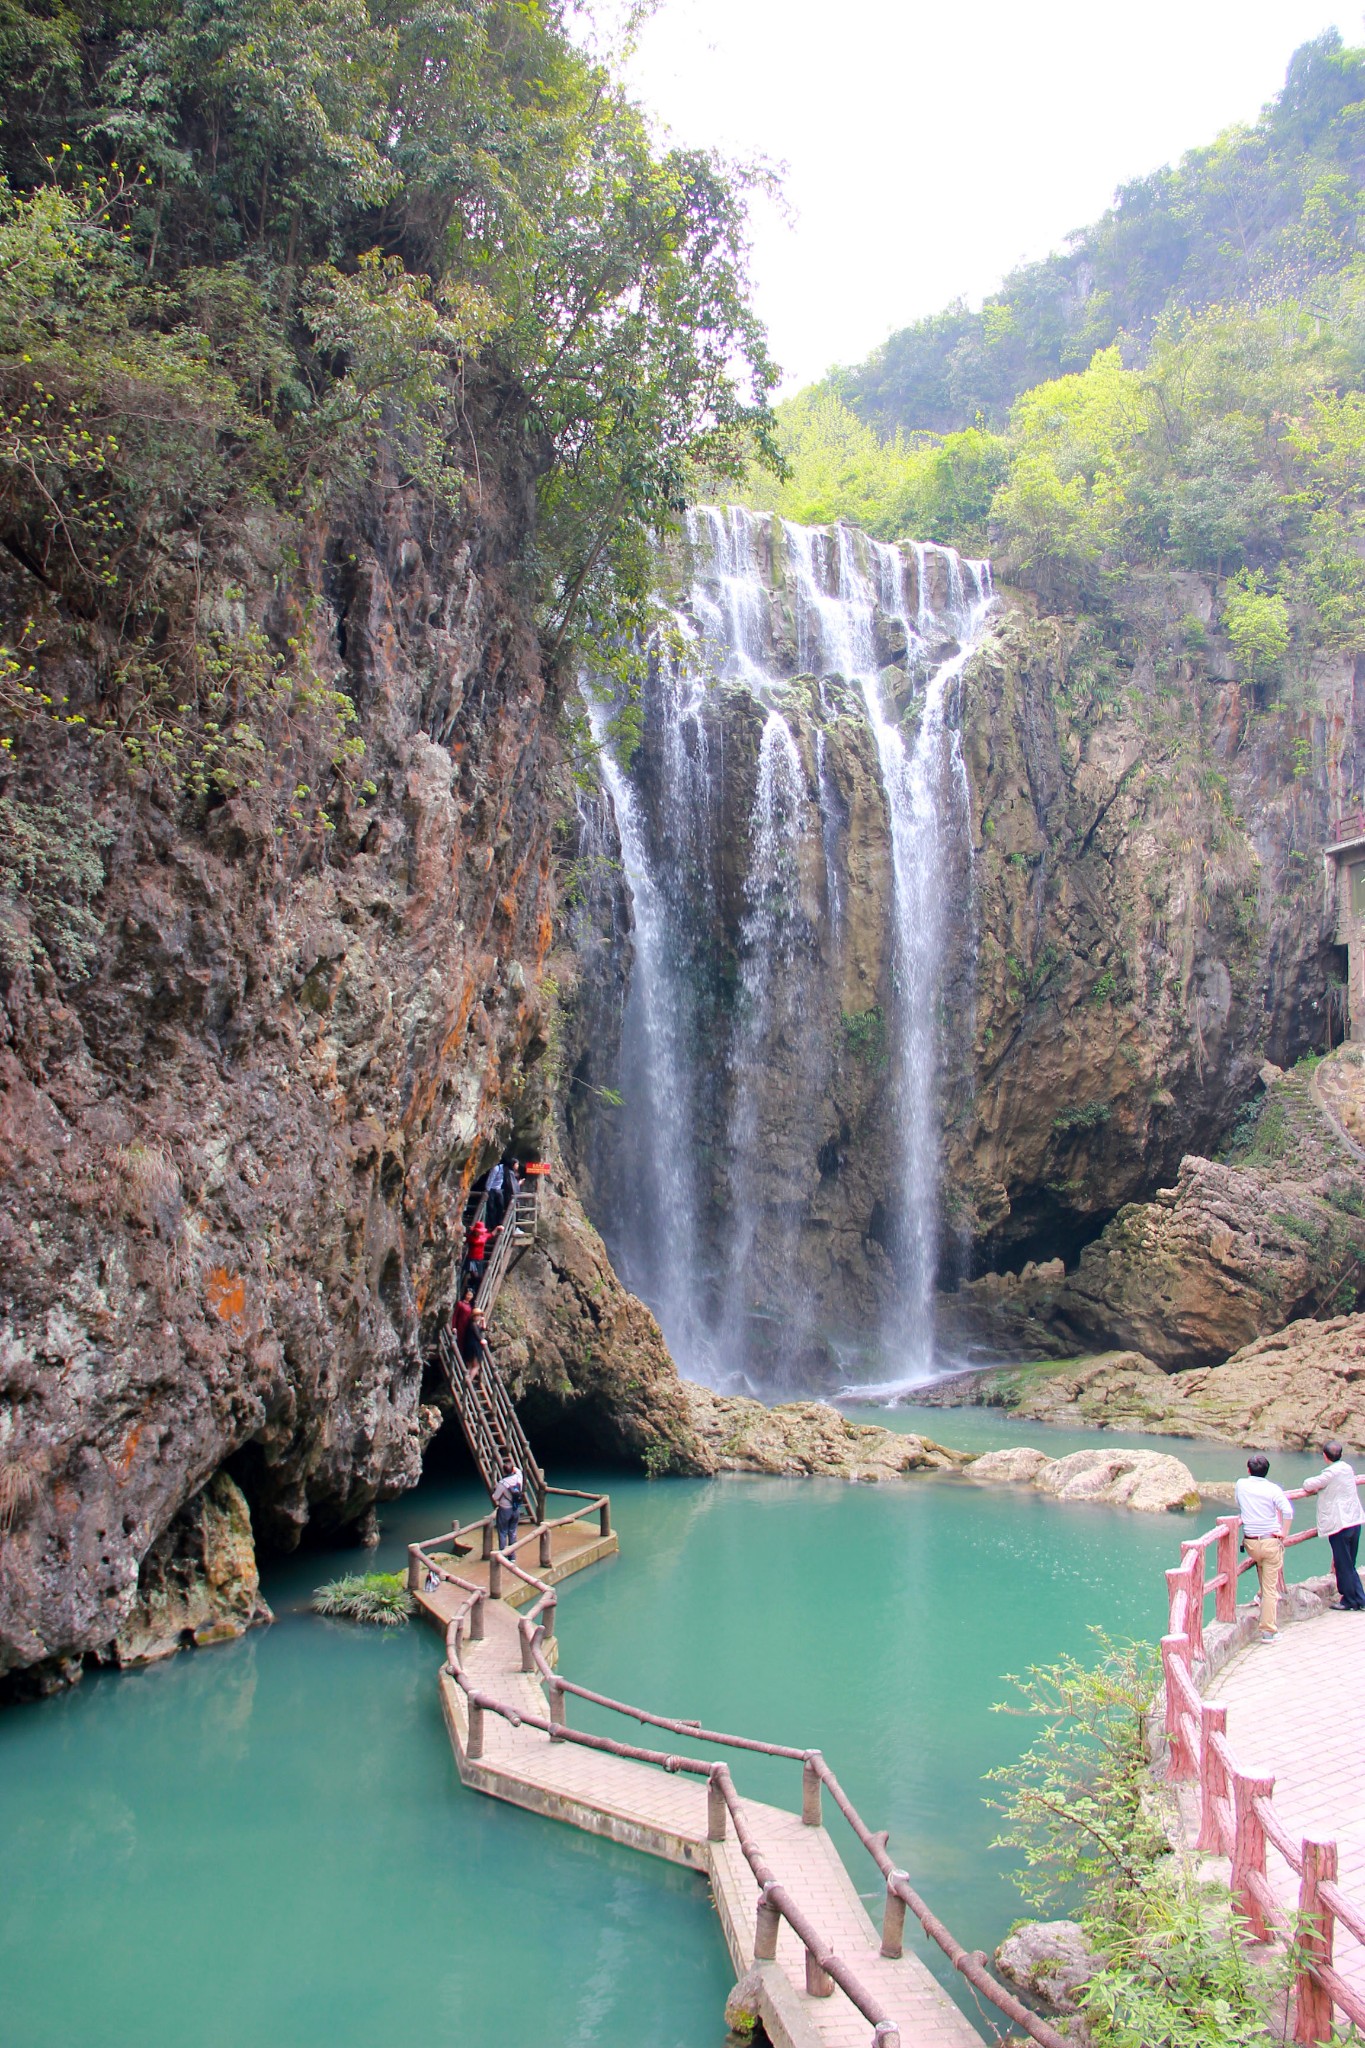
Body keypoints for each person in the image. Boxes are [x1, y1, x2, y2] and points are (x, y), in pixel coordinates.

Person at [1234, 1453, 1294, 1642]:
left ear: (1248, 1469)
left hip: (1251, 1542)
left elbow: (1239, 1503)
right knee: (1270, 1588)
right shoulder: (1273, 1489)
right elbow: (1288, 1511)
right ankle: (1268, 1630)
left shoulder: (1241, 1484)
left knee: (1263, 1566)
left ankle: (1260, 1597)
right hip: (1270, 1541)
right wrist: (1283, 1533)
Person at [1301, 1439, 1365, 1611]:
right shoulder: (1347, 1468)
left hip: (1340, 1524)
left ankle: (1353, 1600)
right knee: (1348, 1562)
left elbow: (1308, 1484)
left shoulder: (1330, 1473)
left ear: (1325, 1456)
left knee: (1344, 1564)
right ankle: (1357, 1598)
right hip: (1354, 1520)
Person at [492, 1465, 524, 1556]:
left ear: (504, 1471)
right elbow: (519, 1471)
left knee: (503, 1532)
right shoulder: (518, 1478)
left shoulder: (502, 1483)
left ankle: (503, 1554)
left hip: (505, 1510)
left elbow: (495, 1497)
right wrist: (514, 1468)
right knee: (512, 1531)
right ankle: (512, 1555)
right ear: (512, 1470)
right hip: (516, 1508)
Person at [484, 1160, 506, 1228]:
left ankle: (499, 1223)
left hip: (498, 1189)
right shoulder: (496, 1168)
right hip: (492, 1189)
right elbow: (490, 1179)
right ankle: (492, 1225)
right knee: (491, 1208)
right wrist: (487, 1190)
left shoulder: (506, 1170)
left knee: (501, 1206)